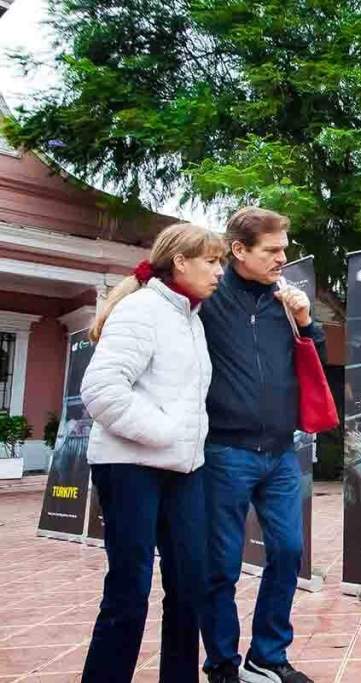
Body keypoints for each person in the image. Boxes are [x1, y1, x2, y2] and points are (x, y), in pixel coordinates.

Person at [79, 223, 225, 683]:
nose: (220, 271)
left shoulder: (192, 318)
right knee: (129, 590)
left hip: (182, 469)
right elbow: (100, 391)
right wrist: (165, 431)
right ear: (180, 261)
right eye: (212, 261)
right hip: (129, 469)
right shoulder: (142, 310)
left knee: (189, 588)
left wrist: (184, 443)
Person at [200, 207, 326, 683]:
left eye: (284, 248)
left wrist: (306, 320)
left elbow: (316, 362)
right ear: (238, 250)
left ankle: (267, 656)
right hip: (224, 453)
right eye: (272, 250)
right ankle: (222, 664)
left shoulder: (284, 301)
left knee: (289, 551)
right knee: (221, 566)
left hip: (279, 452)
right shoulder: (209, 298)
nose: (283, 257)